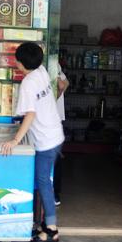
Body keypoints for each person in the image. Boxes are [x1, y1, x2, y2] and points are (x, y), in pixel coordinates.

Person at [1, 42, 64, 242]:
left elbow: (30, 114)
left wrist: (15, 140)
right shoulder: (42, 71)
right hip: (55, 134)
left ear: (20, 63)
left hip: (46, 140)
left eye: (17, 60)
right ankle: (42, 224)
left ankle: (51, 230)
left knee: (43, 182)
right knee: (42, 181)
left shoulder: (28, 83)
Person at [54, 62, 69, 206]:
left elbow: (62, 85)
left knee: (53, 158)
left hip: (52, 119)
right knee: (55, 156)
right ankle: (55, 194)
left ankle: (54, 194)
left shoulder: (52, 64)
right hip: (55, 119)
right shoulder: (55, 64)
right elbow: (66, 83)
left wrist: (53, 100)